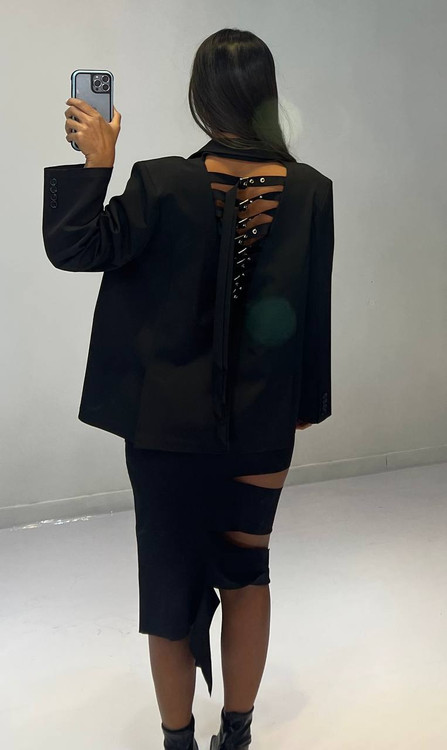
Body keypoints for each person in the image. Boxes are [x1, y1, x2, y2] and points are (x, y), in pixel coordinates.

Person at [43, 26, 334, 750]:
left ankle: (178, 740)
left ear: (200, 97)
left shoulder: (160, 182)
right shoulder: (310, 190)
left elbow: (75, 247)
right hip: (263, 426)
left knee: (168, 586)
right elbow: (313, 309)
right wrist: (303, 407)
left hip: (163, 430)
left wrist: (97, 163)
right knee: (247, 572)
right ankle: (236, 735)